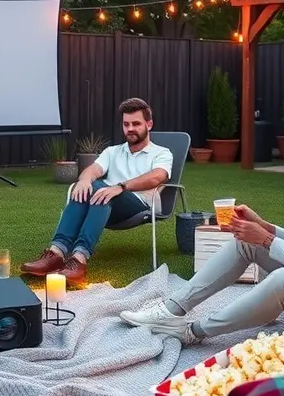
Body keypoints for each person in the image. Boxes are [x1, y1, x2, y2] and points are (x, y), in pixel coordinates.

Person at [120, 103, 284, 344]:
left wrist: (267, 240)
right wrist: (264, 227)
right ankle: (171, 310)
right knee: (246, 243)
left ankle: (193, 331)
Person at [21, 98, 173, 285]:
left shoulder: (161, 153)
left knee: (99, 189)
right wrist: (84, 180)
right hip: (104, 201)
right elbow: (93, 170)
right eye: (126, 124)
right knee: (85, 187)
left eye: (136, 124)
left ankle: (79, 259)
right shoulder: (112, 151)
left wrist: (121, 186)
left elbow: (157, 176)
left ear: (149, 124)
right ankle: (57, 253)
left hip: (139, 203)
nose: (130, 129)